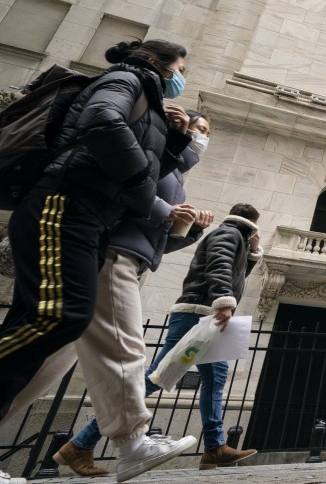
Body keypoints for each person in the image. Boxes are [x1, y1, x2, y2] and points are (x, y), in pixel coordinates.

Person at [0, 39, 198, 481]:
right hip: (64, 203)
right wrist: (141, 184)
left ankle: (132, 443)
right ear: (157, 64)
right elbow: (101, 120)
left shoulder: (148, 103)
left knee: (47, 324)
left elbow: (146, 164)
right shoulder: (128, 79)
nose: (180, 80)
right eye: (178, 69)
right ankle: (132, 442)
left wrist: (177, 141)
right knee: (57, 319)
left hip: (91, 214)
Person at [143, 204, 264, 470]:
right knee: (159, 375)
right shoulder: (229, 234)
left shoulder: (235, 238)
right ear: (253, 223)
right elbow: (220, 263)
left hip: (209, 318)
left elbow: (236, 274)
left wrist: (253, 252)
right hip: (198, 315)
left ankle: (214, 449)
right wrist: (223, 300)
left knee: (214, 379)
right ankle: (83, 442)